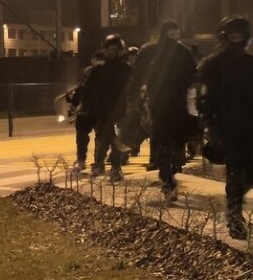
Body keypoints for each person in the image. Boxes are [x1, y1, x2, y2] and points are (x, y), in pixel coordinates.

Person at [196, 17, 253, 239]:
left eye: (239, 36)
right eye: (232, 35)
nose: (236, 40)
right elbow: (203, 100)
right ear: (224, 38)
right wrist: (210, 127)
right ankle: (234, 216)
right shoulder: (212, 65)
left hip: (248, 126)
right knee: (235, 172)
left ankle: (234, 205)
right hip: (224, 127)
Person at [130, 20, 197, 200]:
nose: (174, 38)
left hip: (177, 102)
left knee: (176, 140)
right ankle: (167, 177)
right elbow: (137, 76)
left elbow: (193, 74)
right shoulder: (150, 52)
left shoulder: (183, 52)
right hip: (157, 103)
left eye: (177, 34)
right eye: (171, 34)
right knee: (163, 141)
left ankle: (172, 168)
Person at [78, 34, 131, 181]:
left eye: (115, 49)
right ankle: (99, 165)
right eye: (109, 49)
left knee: (117, 141)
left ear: (120, 50)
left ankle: (115, 168)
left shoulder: (126, 69)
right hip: (102, 110)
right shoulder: (98, 68)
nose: (112, 52)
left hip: (120, 110)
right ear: (105, 50)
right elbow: (88, 89)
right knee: (102, 139)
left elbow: (132, 88)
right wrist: (86, 105)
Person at [70, 49, 106, 177]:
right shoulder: (106, 71)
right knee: (100, 137)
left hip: (88, 109)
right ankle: (98, 163)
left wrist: (74, 103)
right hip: (97, 109)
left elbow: (80, 88)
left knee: (82, 135)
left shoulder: (88, 71)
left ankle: (82, 160)